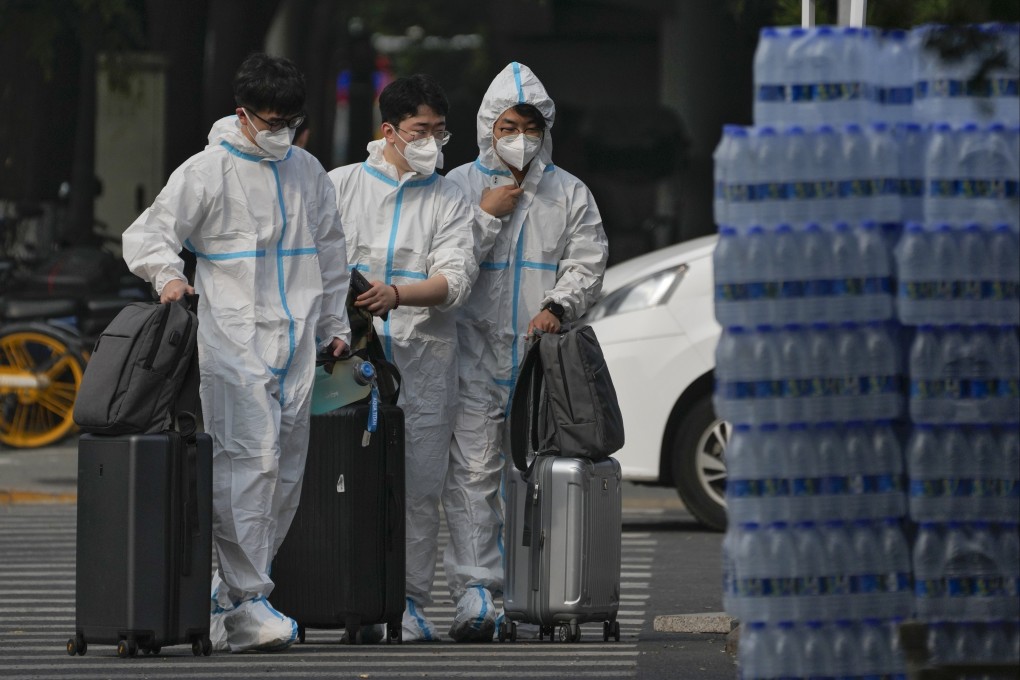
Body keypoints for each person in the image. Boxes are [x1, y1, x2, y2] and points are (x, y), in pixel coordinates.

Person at [121, 52, 351, 653]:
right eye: (268, 120)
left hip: (298, 340)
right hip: (234, 339)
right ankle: (246, 600)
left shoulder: (307, 171)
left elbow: (330, 253)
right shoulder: (207, 171)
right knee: (249, 465)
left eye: (288, 121)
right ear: (242, 114)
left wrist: (335, 324)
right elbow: (149, 234)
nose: (278, 133)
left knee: (285, 473)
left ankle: (234, 598)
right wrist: (168, 277)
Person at [441, 61, 609, 641]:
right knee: (472, 475)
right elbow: (444, 261)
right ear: (489, 125)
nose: (520, 138)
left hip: (539, 360)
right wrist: (485, 215)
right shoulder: (458, 187)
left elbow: (587, 262)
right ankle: (476, 594)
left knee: (540, 477)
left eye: (530, 127)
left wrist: (558, 306)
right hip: (471, 353)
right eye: (509, 126)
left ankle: (538, 588)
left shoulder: (569, 194)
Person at [328, 74, 477, 642]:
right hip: (348, 361)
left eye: (441, 132)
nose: (434, 143)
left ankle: (407, 602)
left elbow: (456, 278)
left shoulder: (448, 197)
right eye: (421, 131)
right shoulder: (340, 186)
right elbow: (318, 264)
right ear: (389, 131)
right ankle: (346, 594)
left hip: (424, 361)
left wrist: (398, 295)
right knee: (342, 479)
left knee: (418, 486)